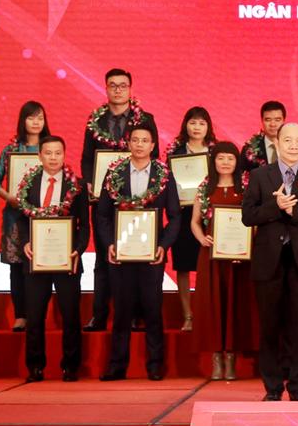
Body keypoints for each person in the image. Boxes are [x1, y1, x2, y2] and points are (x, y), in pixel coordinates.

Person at [242, 122, 298, 401]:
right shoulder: (260, 175)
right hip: (268, 262)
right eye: (288, 140)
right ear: (277, 143)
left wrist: (295, 211)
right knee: (270, 327)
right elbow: (248, 216)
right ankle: (272, 388)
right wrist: (275, 206)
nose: (294, 146)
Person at [95, 125, 179, 381]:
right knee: (121, 311)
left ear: (153, 145)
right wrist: (109, 243)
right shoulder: (115, 173)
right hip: (121, 254)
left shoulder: (164, 175)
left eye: (145, 140)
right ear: (128, 143)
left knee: (153, 310)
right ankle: (117, 366)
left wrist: (163, 246)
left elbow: (175, 216)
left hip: (151, 254)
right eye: (135, 140)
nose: (140, 144)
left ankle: (155, 366)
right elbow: (102, 214)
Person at [81, 68, 160, 332]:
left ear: (130, 89)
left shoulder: (144, 119)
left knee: (136, 256)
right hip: (104, 201)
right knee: (104, 257)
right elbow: (87, 158)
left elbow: (155, 155)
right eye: (112, 85)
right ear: (105, 88)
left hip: (138, 200)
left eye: (122, 85)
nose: (117, 90)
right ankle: (99, 315)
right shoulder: (95, 120)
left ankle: (137, 315)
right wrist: (90, 181)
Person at [18, 135, 88, 382]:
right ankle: (35, 367)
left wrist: (78, 249)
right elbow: (21, 219)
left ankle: (70, 366)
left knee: (70, 314)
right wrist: (26, 241)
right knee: (35, 315)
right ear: (39, 155)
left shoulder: (76, 185)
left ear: (64, 155)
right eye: (48, 153)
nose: (53, 158)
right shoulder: (28, 183)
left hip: (66, 258)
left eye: (58, 153)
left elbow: (84, 225)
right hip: (37, 258)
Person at [189, 141, 258, 381]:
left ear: (237, 161)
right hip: (212, 257)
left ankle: (231, 358)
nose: (226, 162)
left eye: (230, 158)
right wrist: (202, 238)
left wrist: (246, 244)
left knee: (235, 305)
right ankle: (216, 359)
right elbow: (195, 221)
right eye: (221, 158)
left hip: (239, 258)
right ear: (214, 161)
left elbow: (255, 220)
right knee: (213, 305)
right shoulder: (205, 187)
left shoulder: (246, 186)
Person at [0, 101, 49, 332]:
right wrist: (8, 197)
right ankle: (21, 315)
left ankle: (37, 315)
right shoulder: (11, 150)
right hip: (15, 217)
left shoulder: (49, 148)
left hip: (42, 217)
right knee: (16, 268)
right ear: (22, 121)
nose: (36, 122)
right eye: (31, 117)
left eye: (40, 118)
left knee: (40, 266)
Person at [169, 106, 217, 333]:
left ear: (208, 127)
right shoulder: (176, 153)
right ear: (185, 125)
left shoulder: (216, 153)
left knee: (210, 265)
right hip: (182, 214)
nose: (197, 127)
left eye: (201, 123)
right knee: (183, 265)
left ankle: (209, 314)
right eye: (193, 122)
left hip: (210, 215)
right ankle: (187, 315)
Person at [241, 100, 287, 172]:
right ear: (262, 121)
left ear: (284, 121)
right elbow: (242, 175)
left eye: (277, 120)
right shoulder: (249, 149)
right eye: (268, 120)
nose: (273, 124)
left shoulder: (294, 146)